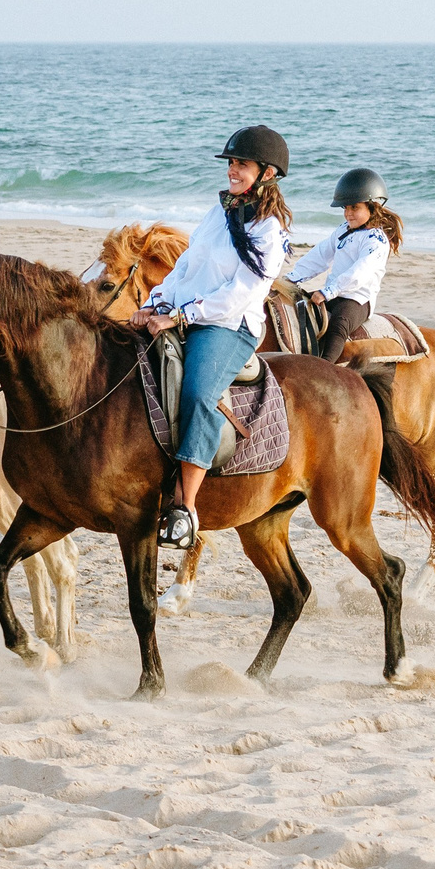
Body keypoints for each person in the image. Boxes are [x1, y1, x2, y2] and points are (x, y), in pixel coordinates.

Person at [129, 125, 292, 551]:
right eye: (232, 163)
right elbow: (186, 266)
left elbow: (242, 292)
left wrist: (184, 315)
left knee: (200, 392)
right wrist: (156, 301)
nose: (233, 171)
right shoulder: (218, 212)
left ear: (267, 172)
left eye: (242, 164)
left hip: (228, 325)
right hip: (184, 313)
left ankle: (185, 507)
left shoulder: (269, 231)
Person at [284, 167, 403, 361]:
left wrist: (328, 292)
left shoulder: (377, 240)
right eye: (345, 208)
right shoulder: (343, 231)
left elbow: (360, 273)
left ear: (372, 207)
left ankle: (326, 367)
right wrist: (293, 278)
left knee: (339, 325)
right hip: (335, 292)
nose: (348, 213)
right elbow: (320, 255)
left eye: (354, 207)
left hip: (357, 299)